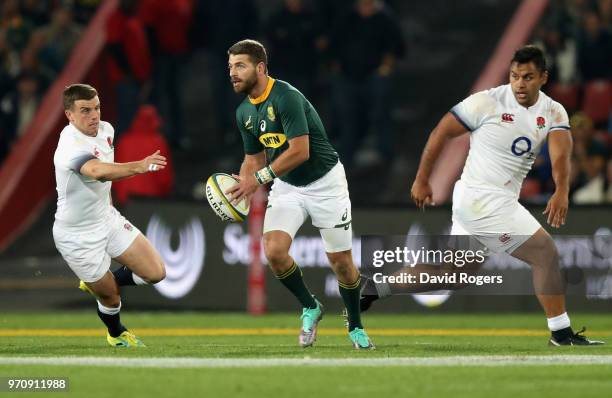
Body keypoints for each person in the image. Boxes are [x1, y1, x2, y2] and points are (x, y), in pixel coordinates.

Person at [363, 45, 603, 346]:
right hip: (482, 198)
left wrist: (562, 190)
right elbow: (441, 132)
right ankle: (561, 332)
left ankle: (376, 287)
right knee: (545, 253)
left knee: (453, 275)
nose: (520, 84)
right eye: (515, 76)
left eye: (528, 77)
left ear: (543, 77)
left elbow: (559, 155)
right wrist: (422, 179)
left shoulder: (553, 110)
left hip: (487, 200)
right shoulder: (487, 102)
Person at [225, 39, 373, 349]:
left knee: (341, 263)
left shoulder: (286, 97)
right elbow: (254, 159)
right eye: (230, 67)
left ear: (260, 68)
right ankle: (310, 306)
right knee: (275, 251)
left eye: (240, 66)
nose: (233, 73)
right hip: (288, 186)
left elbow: (300, 151)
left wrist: (260, 179)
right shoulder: (243, 113)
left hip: (326, 183)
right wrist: (241, 187)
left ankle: (355, 326)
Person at [52, 84, 167, 347]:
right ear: (69, 115)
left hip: (106, 218)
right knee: (111, 298)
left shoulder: (106, 130)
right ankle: (116, 333)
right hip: (76, 234)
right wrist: (138, 166)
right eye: (84, 111)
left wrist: (108, 204)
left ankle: (100, 281)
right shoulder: (69, 145)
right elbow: (97, 171)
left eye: (97, 108)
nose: (94, 115)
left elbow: (103, 181)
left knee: (156, 272)